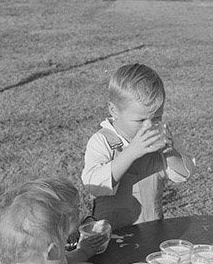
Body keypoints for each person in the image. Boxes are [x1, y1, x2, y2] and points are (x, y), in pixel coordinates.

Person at [81, 63, 192, 229]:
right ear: (114, 110)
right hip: (110, 235)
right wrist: (131, 152)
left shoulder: (162, 141)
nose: (148, 126)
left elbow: (183, 174)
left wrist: (170, 152)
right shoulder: (103, 141)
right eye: (140, 120)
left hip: (151, 230)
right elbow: (93, 185)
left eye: (156, 118)